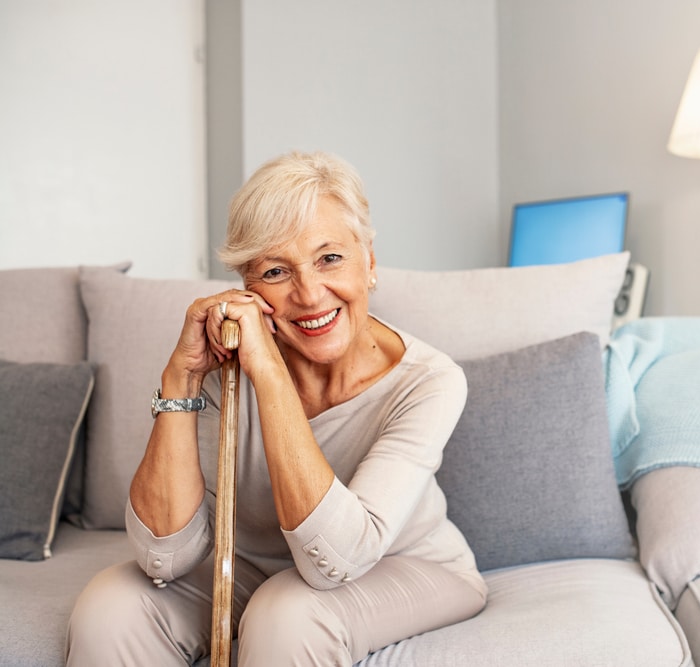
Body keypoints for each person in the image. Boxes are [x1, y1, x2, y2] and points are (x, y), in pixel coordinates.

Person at [66, 151, 487, 666]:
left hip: (403, 566)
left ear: (370, 262)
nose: (309, 295)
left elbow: (337, 560)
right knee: (110, 607)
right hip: (252, 567)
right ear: (249, 287)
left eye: (329, 258)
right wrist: (183, 376)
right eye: (276, 270)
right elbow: (164, 557)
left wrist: (268, 372)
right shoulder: (221, 367)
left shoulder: (429, 380)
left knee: (286, 613)